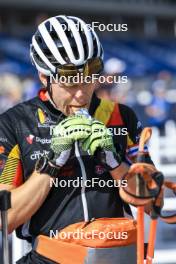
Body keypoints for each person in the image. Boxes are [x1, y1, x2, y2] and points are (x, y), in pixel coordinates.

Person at [0, 15, 153, 264]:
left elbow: (151, 201)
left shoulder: (119, 116)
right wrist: (51, 164)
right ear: (43, 76)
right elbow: (4, 219)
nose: (81, 94)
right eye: (69, 84)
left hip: (119, 256)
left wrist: (116, 164)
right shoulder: (14, 124)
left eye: (89, 79)